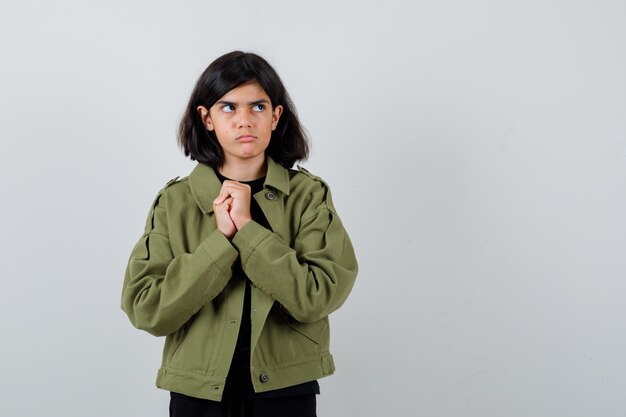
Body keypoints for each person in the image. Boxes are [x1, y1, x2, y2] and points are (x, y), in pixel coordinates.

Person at [121, 51, 358, 417]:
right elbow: (146, 309)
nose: (244, 120)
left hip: (286, 392)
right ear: (207, 118)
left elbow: (318, 296)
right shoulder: (176, 202)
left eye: (258, 107)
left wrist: (247, 231)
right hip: (197, 394)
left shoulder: (309, 196)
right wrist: (220, 243)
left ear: (276, 116)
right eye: (228, 107)